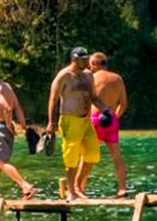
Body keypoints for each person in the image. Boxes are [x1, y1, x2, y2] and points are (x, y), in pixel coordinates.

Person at [46, 46, 110, 201]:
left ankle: (77, 186)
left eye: (87, 58)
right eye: (82, 59)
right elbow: (53, 100)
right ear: (74, 59)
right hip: (69, 120)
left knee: (93, 154)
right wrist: (50, 123)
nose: (86, 62)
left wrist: (105, 110)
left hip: (85, 120)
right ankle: (71, 192)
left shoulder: (88, 75)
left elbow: (94, 97)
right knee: (71, 158)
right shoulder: (64, 76)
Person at [0, 65, 36, 201]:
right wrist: (23, 127)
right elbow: (17, 108)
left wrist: (7, 123)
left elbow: (7, 107)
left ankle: (25, 186)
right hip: (6, 129)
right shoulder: (7, 87)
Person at [88, 53, 129, 197]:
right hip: (111, 119)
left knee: (88, 154)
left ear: (96, 63)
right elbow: (124, 104)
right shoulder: (118, 79)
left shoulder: (92, 78)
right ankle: (122, 188)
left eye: (91, 64)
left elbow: (87, 99)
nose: (89, 67)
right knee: (116, 155)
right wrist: (115, 117)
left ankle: (78, 187)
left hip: (96, 118)